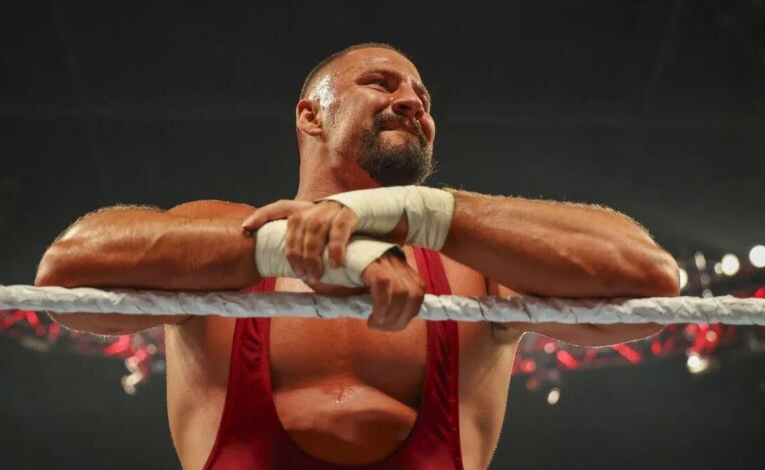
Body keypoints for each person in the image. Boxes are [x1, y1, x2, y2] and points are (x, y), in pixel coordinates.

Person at [35, 43, 679, 469]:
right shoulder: (219, 236)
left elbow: (650, 284)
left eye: (423, 98)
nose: (413, 102)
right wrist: (286, 247)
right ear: (311, 115)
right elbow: (65, 275)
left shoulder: (473, 271)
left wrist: (419, 214)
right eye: (379, 83)